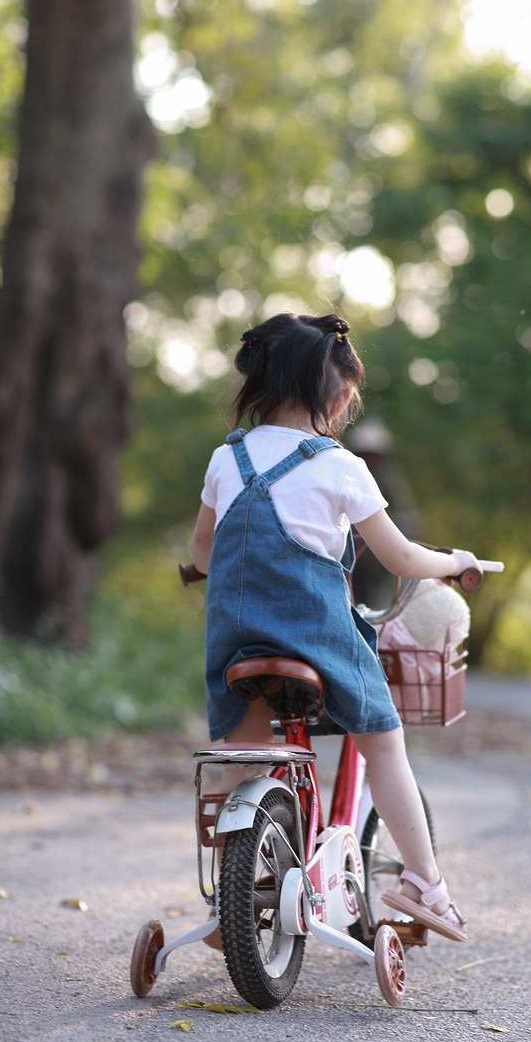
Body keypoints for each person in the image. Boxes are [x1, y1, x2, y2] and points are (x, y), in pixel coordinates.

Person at [190, 312, 478, 942]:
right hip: (317, 642)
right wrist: (454, 563)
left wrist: (211, 565)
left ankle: (233, 899)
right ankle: (426, 884)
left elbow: (206, 556)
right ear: (335, 394)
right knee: (384, 743)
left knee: (247, 758)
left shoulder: (225, 457)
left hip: (236, 645)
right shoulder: (340, 465)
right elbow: (400, 557)